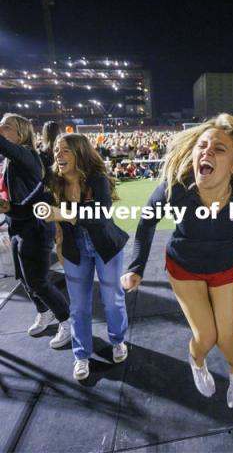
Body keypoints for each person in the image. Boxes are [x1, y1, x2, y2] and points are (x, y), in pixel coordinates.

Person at [121, 114, 233, 409]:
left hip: (226, 267)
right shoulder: (174, 186)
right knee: (205, 336)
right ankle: (197, 362)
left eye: (219, 149)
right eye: (202, 145)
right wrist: (136, 267)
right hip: (184, 267)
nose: (207, 152)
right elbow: (146, 223)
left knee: (227, 339)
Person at [44, 133, 129, 381]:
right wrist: (59, 243)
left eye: (65, 151)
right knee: (79, 306)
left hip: (105, 245)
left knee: (112, 298)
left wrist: (63, 213)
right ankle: (81, 355)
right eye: (57, 150)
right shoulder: (55, 182)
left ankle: (117, 340)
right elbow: (55, 218)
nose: (58, 155)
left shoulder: (98, 180)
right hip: (74, 248)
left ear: (79, 153)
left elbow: (100, 217)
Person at [0, 113, 70, 348]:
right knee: (22, 277)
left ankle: (66, 320)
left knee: (38, 281)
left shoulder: (27, 155)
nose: (1, 130)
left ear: (21, 134)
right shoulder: (10, 160)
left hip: (35, 226)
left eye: (6, 127)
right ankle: (44, 312)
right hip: (17, 224)